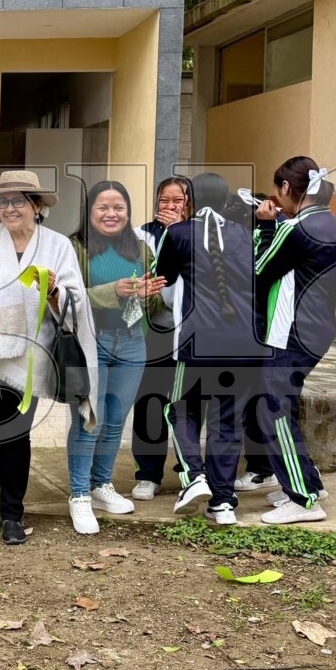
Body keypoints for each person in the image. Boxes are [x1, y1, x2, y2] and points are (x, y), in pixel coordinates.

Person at [0, 170, 98, 545]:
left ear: (37, 206)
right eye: (3, 201)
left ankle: (13, 515)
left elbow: (75, 301)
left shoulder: (57, 245)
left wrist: (53, 290)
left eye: (18, 201)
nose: (9, 208)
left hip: (29, 357)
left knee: (15, 437)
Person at [154, 173, 267, 525]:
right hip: (246, 344)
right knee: (228, 423)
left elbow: (162, 279)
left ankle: (194, 476)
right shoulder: (245, 235)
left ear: (188, 201)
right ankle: (223, 502)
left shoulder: (178, 233)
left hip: (199, 342)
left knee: (180, 410)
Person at [67, 180, 166, 534]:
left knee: (114, 421)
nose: (111, 214)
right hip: (90, 342)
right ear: (89, 212)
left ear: (127, 212)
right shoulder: (74, 248)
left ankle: (100, 485)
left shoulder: (141, 250)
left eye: (118, 207)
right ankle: (78, 494)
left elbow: (152, 307)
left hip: (132, 343)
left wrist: (146, 293)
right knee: (89, 419)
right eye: (102, 208)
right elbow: (64, 297)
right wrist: (113, 290)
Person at [251, 156, 336, 524]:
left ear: (287, 189)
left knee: (272, 410)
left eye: (279, 190)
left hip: (293, 331)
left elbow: (259, 269)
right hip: (318, 327)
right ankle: (309, 483)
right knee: (282, 407)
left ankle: (303, 499)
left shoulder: (296, 228)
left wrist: (265, 226)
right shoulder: (330, 222)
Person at [130, 175, 192, 499]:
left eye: (177, 201)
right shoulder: (143, 235)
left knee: (186, 403)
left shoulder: (199, 234)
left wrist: (178, 232)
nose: (169, 207)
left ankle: (189, 471)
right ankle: (148, 473)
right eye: (164, 201)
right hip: (156, 328)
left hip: (191, 331)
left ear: (189, 204)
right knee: (150, 399)